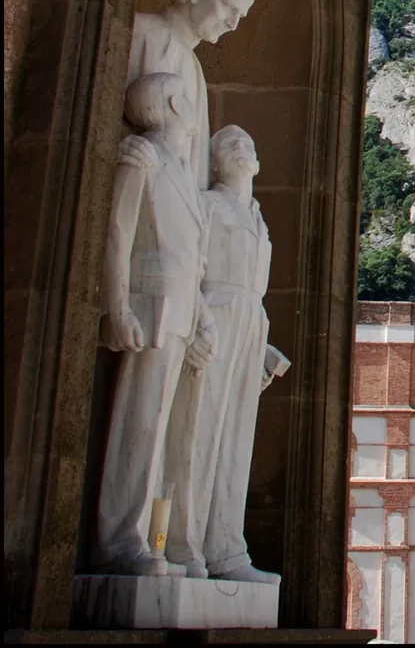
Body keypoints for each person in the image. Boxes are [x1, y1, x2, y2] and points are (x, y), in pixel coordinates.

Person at [93, 72, 218, 575]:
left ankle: (150, 536)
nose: (193, 110)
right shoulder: (140, 156)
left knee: (164, 429)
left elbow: (192, 261)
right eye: (187, 100)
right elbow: (119, 235)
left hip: (181, 314)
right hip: (148, 310)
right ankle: (119, 539)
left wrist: (203, 317)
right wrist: (115, 305)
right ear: (171, 102)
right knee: (138, 422)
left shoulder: (184, 175)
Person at [164, 126, 289, 583]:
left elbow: (252, 292)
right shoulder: (208, 206)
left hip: (249, 325)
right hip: (214, 318)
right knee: (197, 431)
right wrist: (198, 320)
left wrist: (262, 347)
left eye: (248, 145)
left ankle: (227, 549)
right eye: (229, 146)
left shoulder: (258, 218)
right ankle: (182, 545)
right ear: (213, 162)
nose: (242, 150)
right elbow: (187, 268)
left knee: (236, 442)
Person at [123, 0, 260, 185]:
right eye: (229, 8)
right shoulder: (138, 33)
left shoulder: (195, 70)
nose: (233, 24)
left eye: (241, 16)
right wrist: (120, 146)